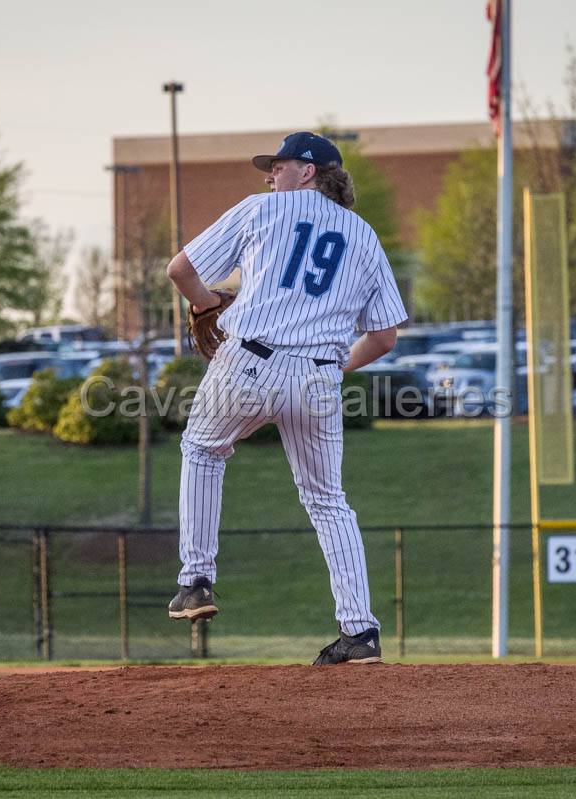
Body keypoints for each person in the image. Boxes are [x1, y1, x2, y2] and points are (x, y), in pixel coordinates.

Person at [163, 131, 407, 665]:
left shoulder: (261, 211)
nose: (270, 175)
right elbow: (386, 336)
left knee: (203, 450)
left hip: (247, 359)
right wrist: (327, 367)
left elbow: (180, 270)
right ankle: (360, 634)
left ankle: (196, 581)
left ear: (309, 172)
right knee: (328, 502)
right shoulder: (364, 236)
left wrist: (207, 307)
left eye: (279, 166)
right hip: (318, 376)